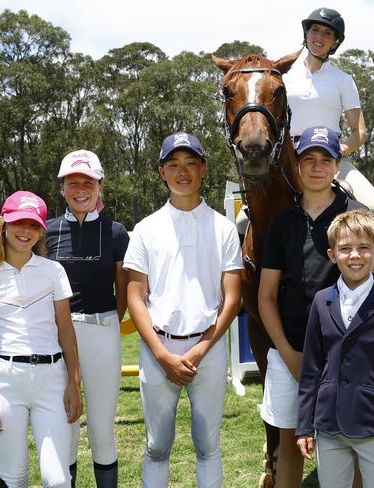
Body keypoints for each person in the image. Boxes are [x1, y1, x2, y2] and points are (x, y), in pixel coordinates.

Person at [123, 132, 242, 487]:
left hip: (208, 346)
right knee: (157, 447)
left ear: (203, 168)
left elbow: (232, 298)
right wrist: (162, 355)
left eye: (191, 163)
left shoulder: (223, 228)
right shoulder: (145, 229)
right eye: (173, 164)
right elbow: (135, 297)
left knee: (208, 445)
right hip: (158, 349)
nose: (182, 172)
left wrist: (202, 348)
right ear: (162, 171)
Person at [257, 126, 366, 487]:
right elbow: (266, 296)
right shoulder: (282, 221)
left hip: (346, 356)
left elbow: (368, 293)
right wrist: (289, 355)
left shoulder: (356, 215)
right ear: (297, 165)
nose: (317, 167)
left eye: (326, 160)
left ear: (337, 165)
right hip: (290, 351)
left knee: (349, 448)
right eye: (309, 160)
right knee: (290, 447)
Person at [0, 190, 82, 488]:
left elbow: (66, 332)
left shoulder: (53, 271)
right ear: (4, 224)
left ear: (41, 230)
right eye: (19, 223)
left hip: (52, 381)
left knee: (57, 480)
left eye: (33, 225)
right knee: (14, 477)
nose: (25, 231)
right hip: (7, 383)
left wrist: (73, 383)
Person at [296, 209, 374, 487]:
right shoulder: (321, 301)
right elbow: (311, 368)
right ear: (331, 255)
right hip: (329, 426)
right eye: (345, 248)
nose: (355, 255)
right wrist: (304, 425)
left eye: (363, 248)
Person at [45, 149, 129, 487]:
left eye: (88, 182)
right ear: (62, 188)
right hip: (55, 336)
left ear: (100, 187)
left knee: (101, 429)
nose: (81, 189)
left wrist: (106, 323)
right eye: (73, 182)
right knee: (65, 425)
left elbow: (122, 292)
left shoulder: (115, 231)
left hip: (102, 331)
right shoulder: (46, 232)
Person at [283, 7, 374, 223]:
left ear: (335, 42)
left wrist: (339, 151)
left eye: (327, 33)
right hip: (288, 159)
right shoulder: (284, 75)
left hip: (331, 156)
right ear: (306, 34)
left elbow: (359, 132)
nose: (319, 37)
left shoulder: (343, 80)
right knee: (243, 220)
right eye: (315, 30)